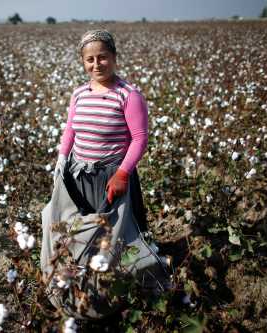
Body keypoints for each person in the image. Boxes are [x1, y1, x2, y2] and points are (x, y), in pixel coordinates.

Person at [40, 29, 170, 320]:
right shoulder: (79, 94)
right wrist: (62, 159)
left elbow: (139, 138)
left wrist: (123, 173)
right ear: (83, 62)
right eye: (90, 59)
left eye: (103, 57)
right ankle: (79, 286)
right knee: (73, 230)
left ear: (114, 58)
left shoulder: (129, 95)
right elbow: (70, 130)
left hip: (112, 178)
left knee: (116, 238)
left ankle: (120, 291)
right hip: (78, 177)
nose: (96, 64)